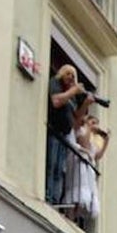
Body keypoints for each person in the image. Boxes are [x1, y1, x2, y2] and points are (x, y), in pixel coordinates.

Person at [46, 64, 92, 206]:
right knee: (51, 165)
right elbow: (55, 101)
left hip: (64, 137)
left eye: (73, 75)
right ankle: (48, 196)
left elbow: (76, 122)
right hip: (54, 132)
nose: (71, 77)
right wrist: (73, 91)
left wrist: (85, 103)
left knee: (60, 170)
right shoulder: (55, 83)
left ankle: (55, 200)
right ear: (61, 74)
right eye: (68, 73)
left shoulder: (71, 97)